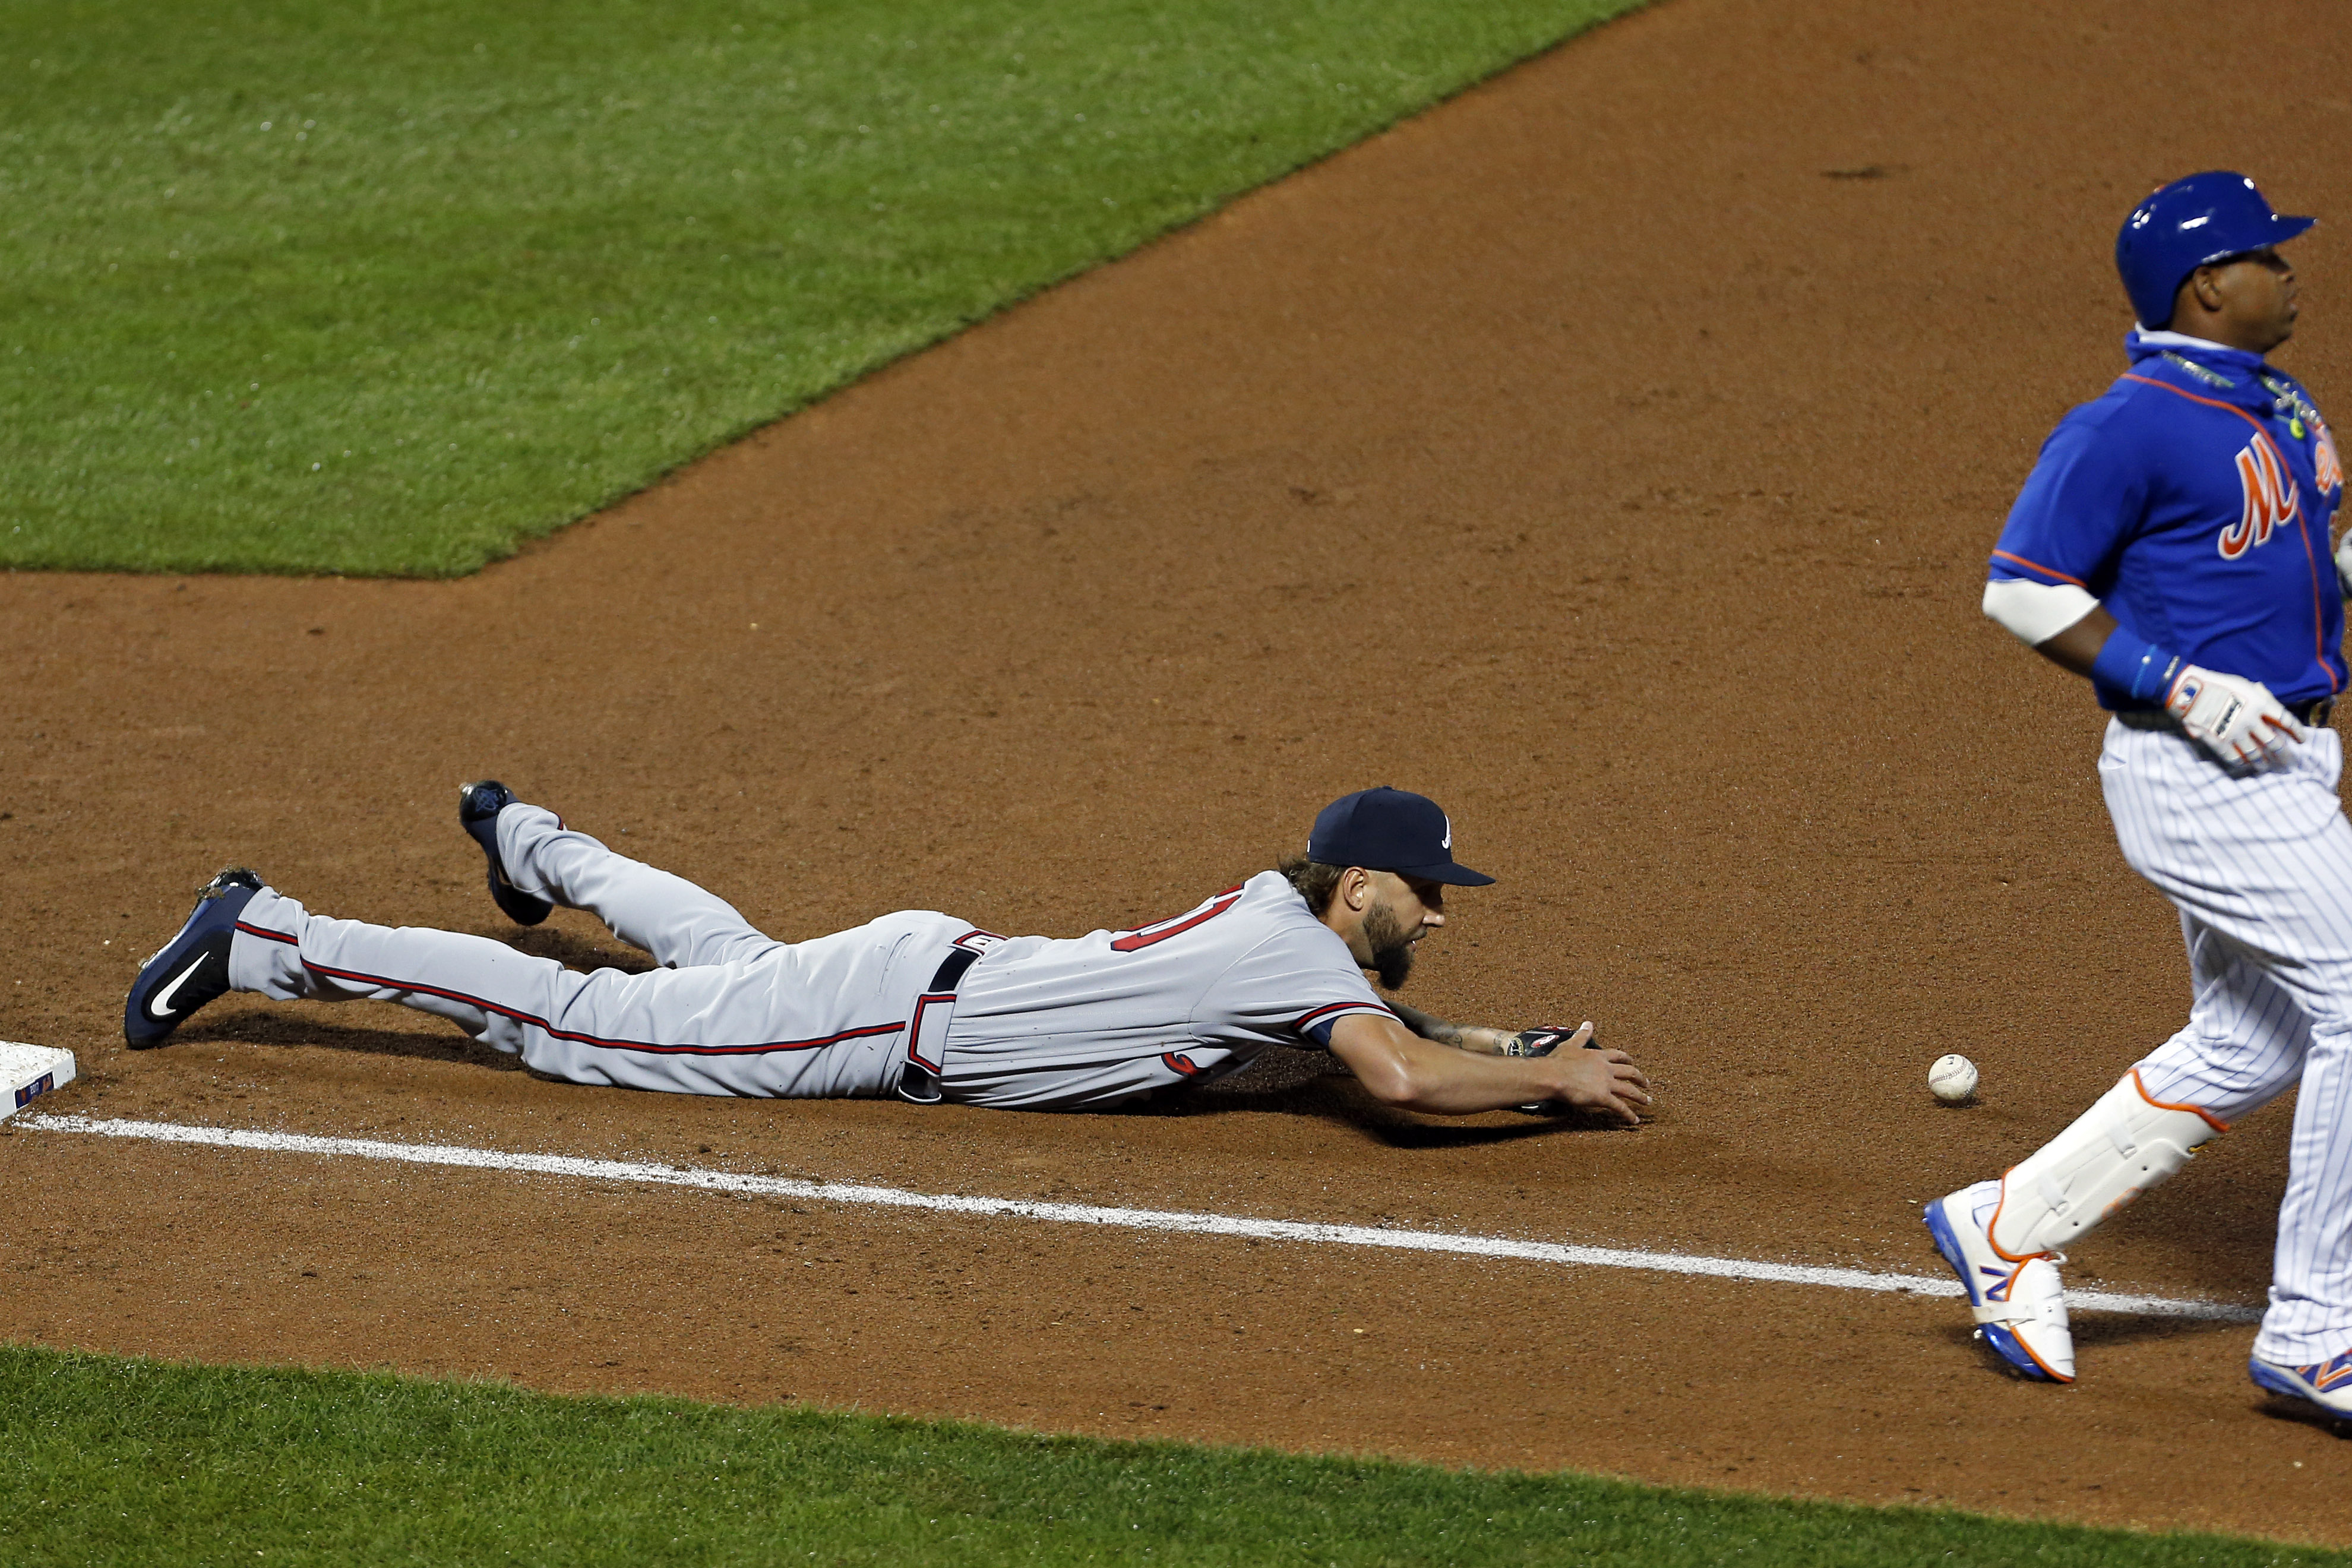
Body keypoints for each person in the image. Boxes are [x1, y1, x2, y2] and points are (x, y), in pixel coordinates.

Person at [1926, 172, 2351, 1410]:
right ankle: (2316, 1328)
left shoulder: (2276, 400)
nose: (2291, 272)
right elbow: (2022, 586)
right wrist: (2180, 685)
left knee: (2253, 1037)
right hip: (2201, 772)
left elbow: (2291, 568)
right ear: (2208, 286)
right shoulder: (2128, 424)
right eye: (2269, 256)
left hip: (2289, 763)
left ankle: (2009, 1224)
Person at [123, 783, 1651, 1123]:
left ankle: (531, 843)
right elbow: (1390, 1076)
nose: (1437, 912)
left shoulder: (1275, 918)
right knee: (578, 1022)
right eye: (1424, 892)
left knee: (717, 960)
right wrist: (1550, 1081)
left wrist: (1505, 1041)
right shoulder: (1306, 973)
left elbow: (1363, 1029)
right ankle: (271, 936)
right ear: (1359, 884)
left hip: (912, 970)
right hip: (883, 1015)